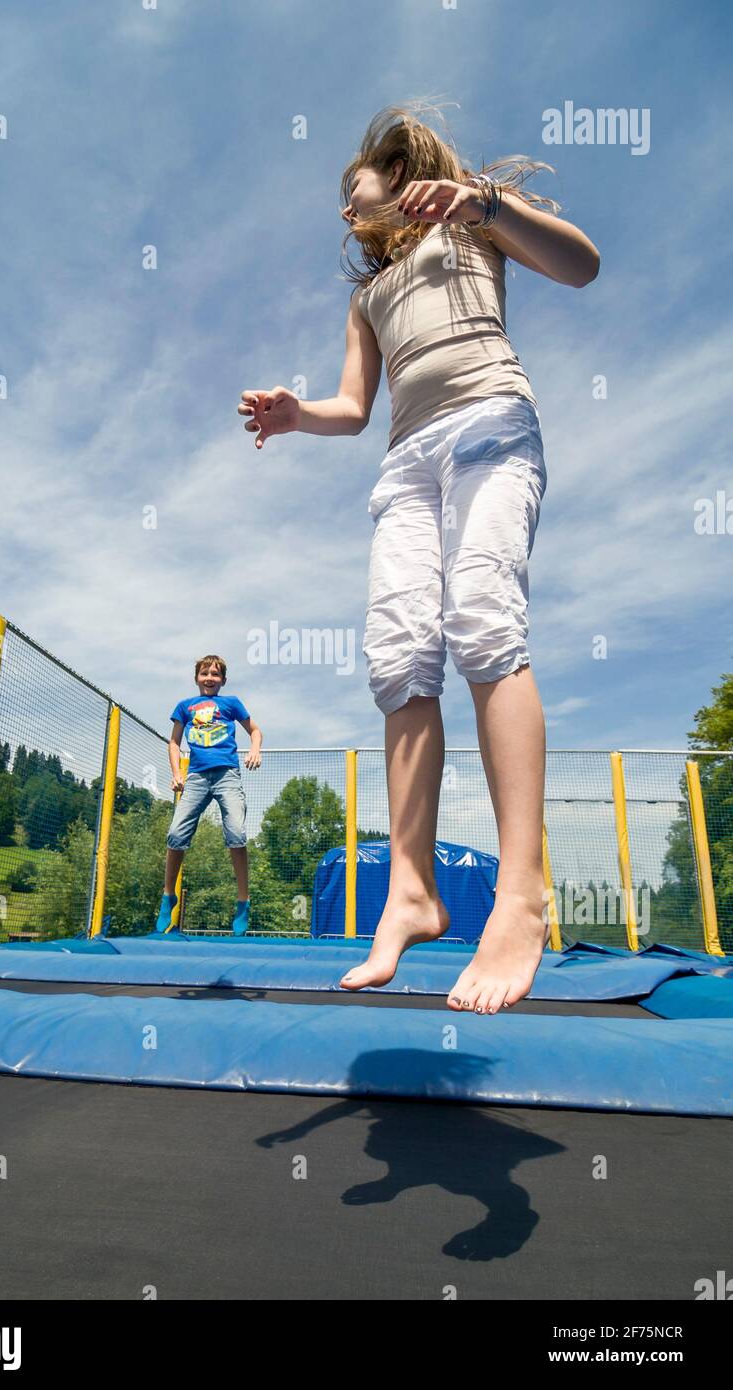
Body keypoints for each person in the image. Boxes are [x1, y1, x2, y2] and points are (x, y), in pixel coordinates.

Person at [237, 103, 600, 1011]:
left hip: (489, 424)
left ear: (392, 179)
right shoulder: (366, 296)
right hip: (405, 462)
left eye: (351, 194)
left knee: (481, 619)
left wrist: (482, 205)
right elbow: (354, 407)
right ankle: (410, 887)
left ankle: (521, 888)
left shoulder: (473, 216)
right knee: (399, 659)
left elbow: (581, 265)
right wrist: (297, 413)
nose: (344, 214)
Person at [154, 654, 262, 936]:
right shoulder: (185, 707)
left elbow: (255, 730)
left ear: (223, 680)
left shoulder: (231, 704)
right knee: (176, 834)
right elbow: (174, 742)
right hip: (197, 777)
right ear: (196, 678)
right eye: (204, 673)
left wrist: (254, 748)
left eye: (215, 674)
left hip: (227, 774)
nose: (209, 678)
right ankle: (168, 896)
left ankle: (242, 902)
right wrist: (177, 773)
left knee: (236, 834)